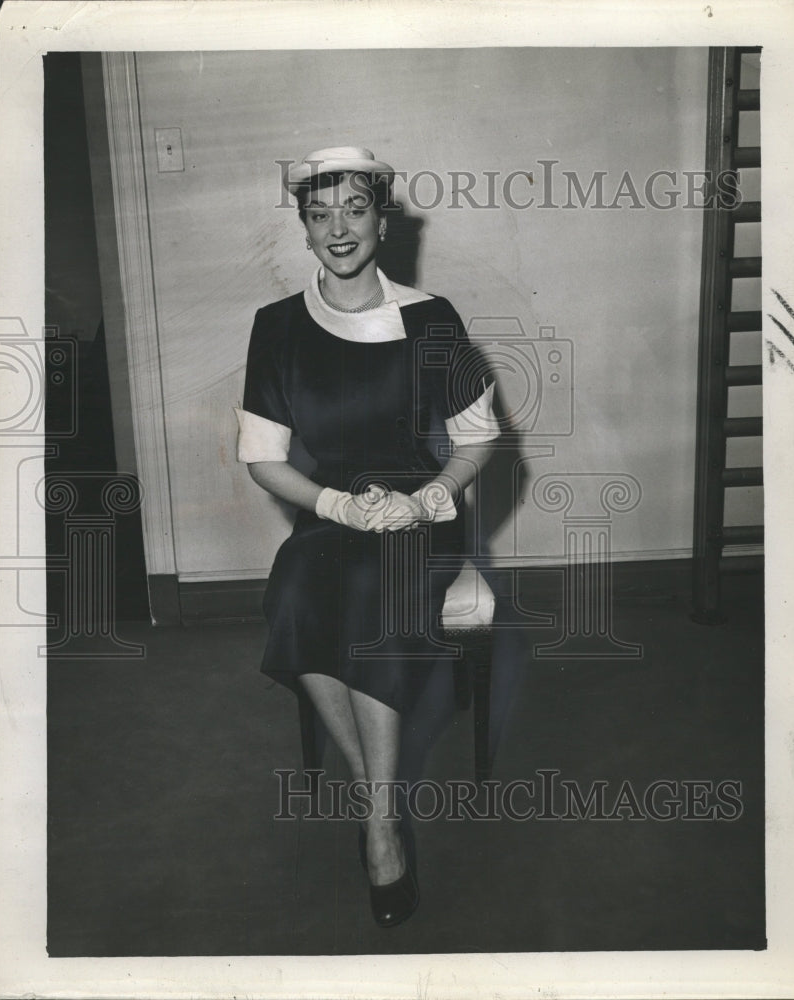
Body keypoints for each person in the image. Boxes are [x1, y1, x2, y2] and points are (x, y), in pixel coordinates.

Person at [235, 146, 499, 927]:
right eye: (321, 215)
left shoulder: (431, 316)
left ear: (382, 219)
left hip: (421, 513)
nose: (339, 228)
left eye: (355, 209)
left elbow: (479, 439)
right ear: (304, 228)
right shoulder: (277, 327)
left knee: (366, 593)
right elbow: (262, 460)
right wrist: (337, 508)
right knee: (291, 591)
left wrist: (423, 502)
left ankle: (379, 827)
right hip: (331, 509)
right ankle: (378, 799)